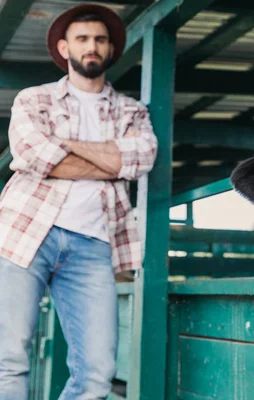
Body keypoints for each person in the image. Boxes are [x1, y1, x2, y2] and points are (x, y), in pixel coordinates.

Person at [0, 4, 158, 399]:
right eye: (83, 39)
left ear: (110, 50)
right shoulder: (33, 99)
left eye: (100, 40)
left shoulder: (132, 112)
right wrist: (109, 160)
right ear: (64, 47)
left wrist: (65, 146)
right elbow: (33, 155)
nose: (92, 46)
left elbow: (140, 159)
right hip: (24, 236)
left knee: (97, 373)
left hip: (94, 245)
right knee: (8, 359)